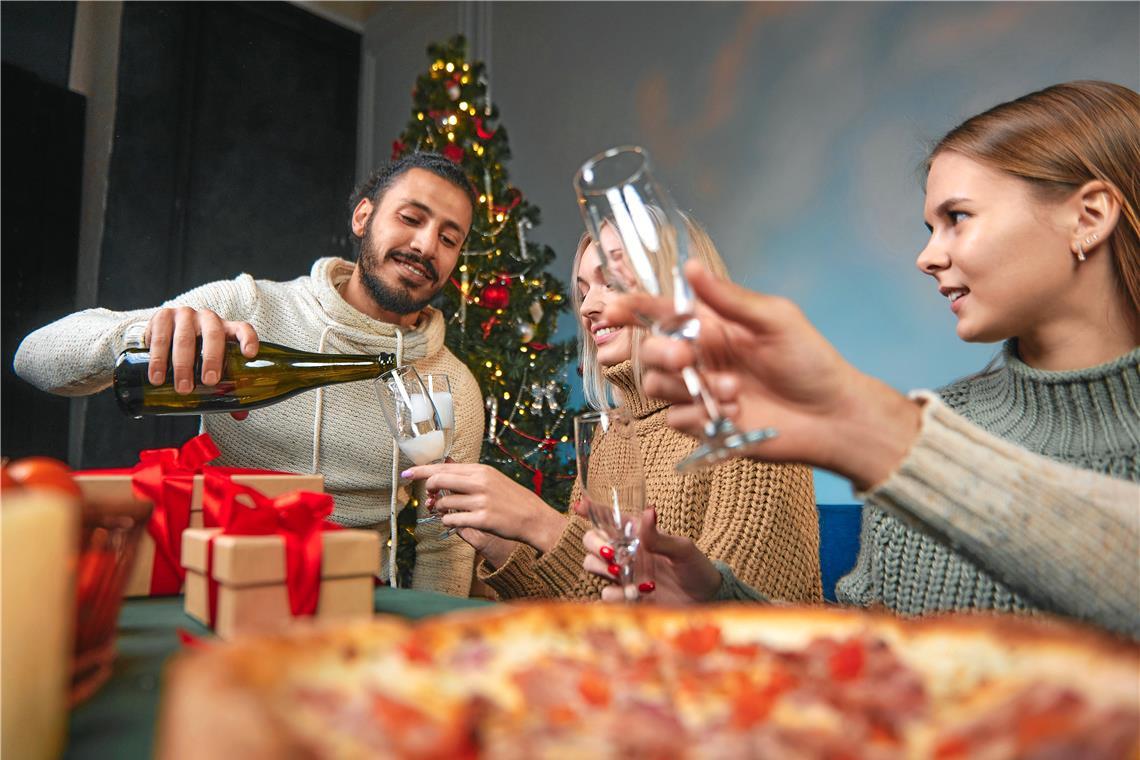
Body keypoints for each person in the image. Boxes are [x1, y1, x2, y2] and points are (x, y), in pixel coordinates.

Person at [582, 80, 1140, 637]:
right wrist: (717, 605)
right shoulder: (941, 421)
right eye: (929, 227)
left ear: (1089, 216)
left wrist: (871, 429)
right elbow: (871, 647)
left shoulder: (906, 437)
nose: (926, 256)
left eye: (959, 217)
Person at [14, 152, 486, 595]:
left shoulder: (452, 385)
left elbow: (444, 542)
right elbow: (33, 357)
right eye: (410, 218)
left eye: (449, 238)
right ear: (363, 217)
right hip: (219, 587)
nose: (426, 245)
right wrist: (142, 334)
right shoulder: (249, 309)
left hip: (356, 602)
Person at [403, 215, 823, 602]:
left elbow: (729, 623)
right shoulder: (609, 434)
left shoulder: (752, 419)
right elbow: (586, 608)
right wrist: (498, 541)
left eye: (612, 283)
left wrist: (541, 524)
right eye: (583, 291)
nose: (586, 308)